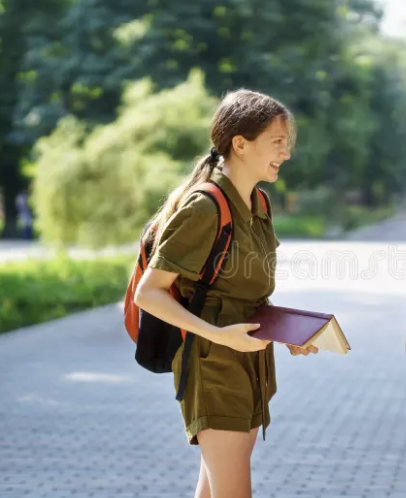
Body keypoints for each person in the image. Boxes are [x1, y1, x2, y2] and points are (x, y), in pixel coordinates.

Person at [134, 89, 318, 498]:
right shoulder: (205, 206)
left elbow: (248, 289)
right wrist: (219, 336)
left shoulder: (258, 203)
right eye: (277, 142)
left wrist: (289, 331)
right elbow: (149, 294)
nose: (286, 153)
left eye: (287, 143)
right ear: (240, 143)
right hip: (212, 365)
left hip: (249, 359)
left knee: (213, 487)